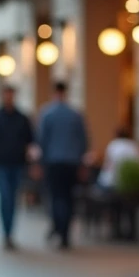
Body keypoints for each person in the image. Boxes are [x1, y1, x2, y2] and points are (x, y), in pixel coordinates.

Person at [0, 85, 35, 248]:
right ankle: (6, 232)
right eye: (6, 95)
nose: (9, 97)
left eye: (11, 95)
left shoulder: (22, 118)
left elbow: (30, 141)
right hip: (0, 164)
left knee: (13, 197)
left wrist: (32, 164)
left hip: (17, 163)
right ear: (2, 96)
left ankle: (10, 232)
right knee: (5, 197)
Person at [36, 81, 88, 248]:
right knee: (68, 197)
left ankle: (58, 227)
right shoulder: (76, 114)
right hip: (72, 162)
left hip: (54, 161)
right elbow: (83, 141)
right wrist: (80, 161)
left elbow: (42, 140)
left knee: (56, 196)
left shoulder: (47, 113)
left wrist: (40, 162)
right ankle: (64, 232)